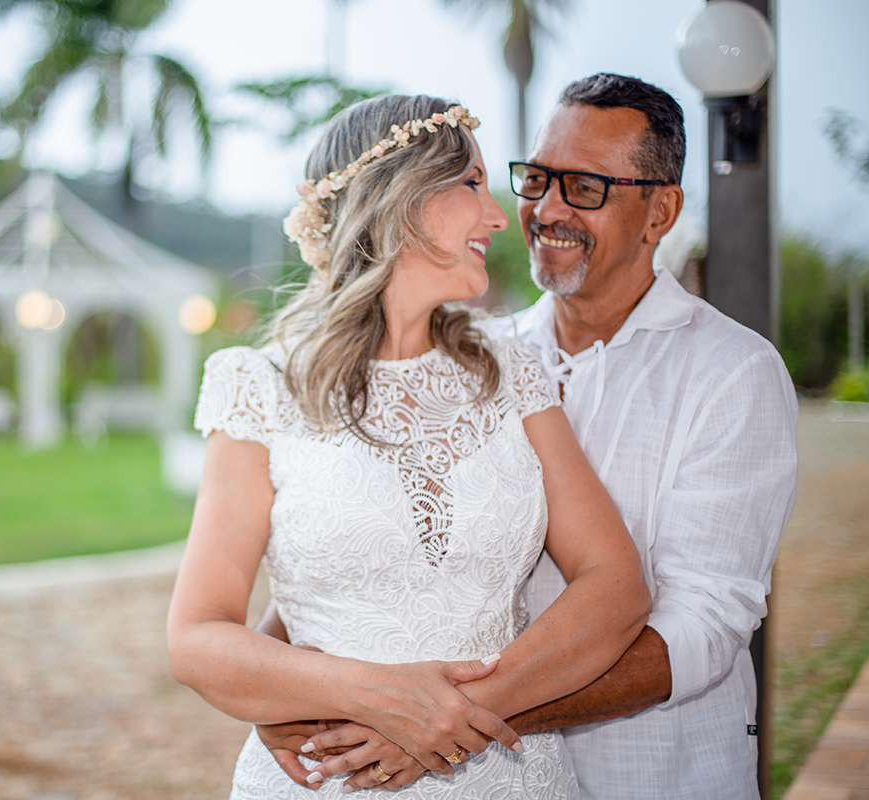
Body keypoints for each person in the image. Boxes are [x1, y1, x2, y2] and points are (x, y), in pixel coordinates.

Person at [262, 74, 798, 800]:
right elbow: (371, 531)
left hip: (652, 772)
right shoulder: (475, 354)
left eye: (584, 187)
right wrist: (277, 673)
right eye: (537, 178)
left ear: (659, 211)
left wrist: (444, 719)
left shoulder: (734, 372)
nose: (545, 209)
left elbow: (704, 621)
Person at [166, 93, 651, 799]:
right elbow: (198, 637)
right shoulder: (259, 386)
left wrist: (456, 713)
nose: (496, 216)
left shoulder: (511, 373)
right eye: (473, 183)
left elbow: (616, 582)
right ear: (400, 197)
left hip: (511, 778)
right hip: (334, 779)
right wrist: (374, 697)